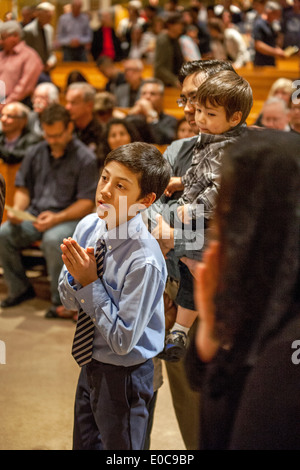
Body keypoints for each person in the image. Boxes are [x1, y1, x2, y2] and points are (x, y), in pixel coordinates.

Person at [185, 128, 300, 449]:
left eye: (227, 218)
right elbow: (207, 376)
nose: (217, 234)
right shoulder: (275, 294)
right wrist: (211, 331)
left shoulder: (287, 357)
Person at [147, 59, 238, 451]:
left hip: (221, 295)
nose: (189, 109)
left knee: (219, 411)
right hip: (169, 287)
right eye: (186, 100)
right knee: (181, 397)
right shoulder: (180, 148)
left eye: (199, 100)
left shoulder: (248, 148)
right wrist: (160, 229)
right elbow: (147, 200)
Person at [58, 142, 171, 450]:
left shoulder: (143, 260)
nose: (105, 190)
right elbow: (66, 299)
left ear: (145, 200)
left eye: (120, 185)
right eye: (104, 177)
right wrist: (79, 282)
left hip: (126, 376)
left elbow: (123, 341)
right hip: (89, 360)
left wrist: (89, 283)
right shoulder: (88, 226)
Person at [155, 70, 252, 361]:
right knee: (187, 272)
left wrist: (191, 211)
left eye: (208, 113)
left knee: (194, 262)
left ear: (234, 118)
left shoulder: (234, 146)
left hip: (207, 224)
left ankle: (183, 328)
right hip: (188, 224)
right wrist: (180, 182)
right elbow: (200, 176)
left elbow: (221, 187)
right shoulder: (201, 141)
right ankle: (179, 331)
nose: (199, 120)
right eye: (197, 110)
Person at [0, 104, 98, 318]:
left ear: (69, 128)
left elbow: (85, 202)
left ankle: (61, 301)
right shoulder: (35, 151)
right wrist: (17, 210)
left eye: (57, 135)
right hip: (35, 215)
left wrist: (56, 218)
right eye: (48, 135)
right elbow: (23, 188)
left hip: (68, 217)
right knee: (4, 233)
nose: (52, 140)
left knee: (54, 240)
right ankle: (20, 289)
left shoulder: (85, 158)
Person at [0, 20, 43, 108]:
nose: (1, 42)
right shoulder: (2, 55)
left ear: (15, 36)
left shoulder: (29, 55)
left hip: (18, 104)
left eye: (3, 38)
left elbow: (24, 87)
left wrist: (5, 104)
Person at [128, 78, 178, 145]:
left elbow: (162, 141)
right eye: (144, 93)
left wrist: (150, 113)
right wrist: (131, 114)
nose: (147, 97)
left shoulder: (171, 121)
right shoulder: (134, 119)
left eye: (153, 94)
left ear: (161, 98)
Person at [65, 82, 104, 168]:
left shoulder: (102, 132)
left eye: (73, 103)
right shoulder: (65, 131)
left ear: (89, 106)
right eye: (67, 102)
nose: (67, 107)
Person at [23, 2, 57, 81]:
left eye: (51, 16)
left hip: (47, 69)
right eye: (48, 16)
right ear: (39, 15)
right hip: (33, 70)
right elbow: (26, 52)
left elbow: (51, 51)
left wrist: (51, 61)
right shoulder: (28, 30)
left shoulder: (49, 29)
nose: (50, 18)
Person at [154, 12, 185, 88]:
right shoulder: (163, 40)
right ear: (170, 25)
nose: (182, 26)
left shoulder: (176, 38)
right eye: (179, 24)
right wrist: (174, 80)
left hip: (176, 83)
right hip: (166, 85)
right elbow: (159, 67)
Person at [252, 1, 286, 66]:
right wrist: (275, 52)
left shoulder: (271, 24)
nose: (278, 18)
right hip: (261, 65)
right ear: (270, 12)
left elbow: (270, 42)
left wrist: (278, 49)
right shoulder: (259, 24)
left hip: (270, 62)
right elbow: (258, 45)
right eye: (277, 14)